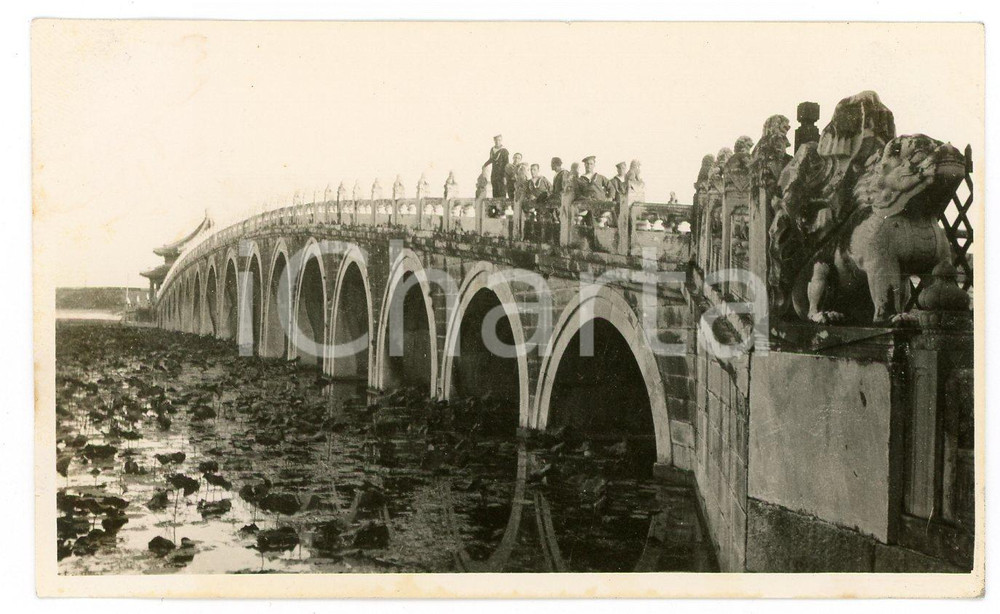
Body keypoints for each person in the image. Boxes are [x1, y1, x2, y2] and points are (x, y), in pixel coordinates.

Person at [482, 134, 509, 200]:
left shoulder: (504, 151)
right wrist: (485, 165)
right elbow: (491, 159)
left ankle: (502, 208)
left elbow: (507, 164)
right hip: (494, 173)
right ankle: (496, 208)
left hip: (501, 174)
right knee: (495, 189)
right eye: (496, 140)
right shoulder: (492, 149)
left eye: (499, 140)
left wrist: (505, 176)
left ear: (501, 140)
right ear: (494, 140)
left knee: (501, 190)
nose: (497, 141)